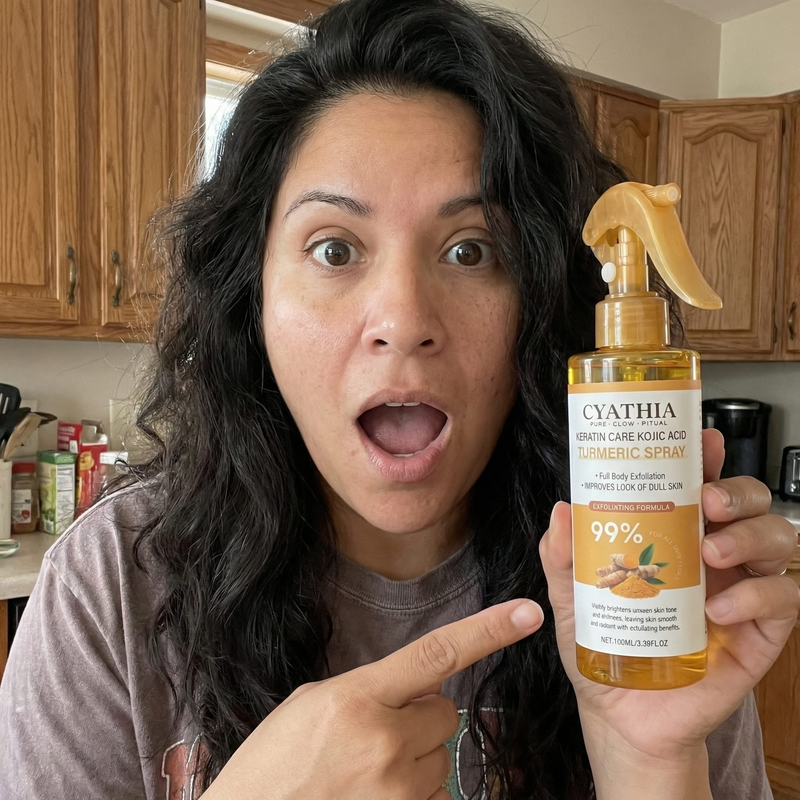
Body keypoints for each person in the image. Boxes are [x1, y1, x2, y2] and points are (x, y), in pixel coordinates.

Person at [1, 1, 798, 798]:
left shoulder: (639, 594)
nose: (405, 320)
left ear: (539, 303)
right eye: (334, 249)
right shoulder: (116, 581)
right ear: (252, 300)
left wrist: (652, 764)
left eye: (471, 250)